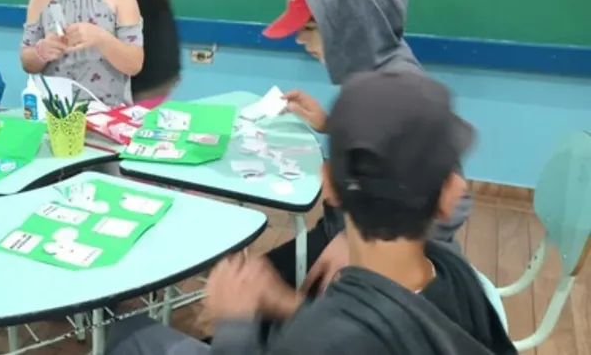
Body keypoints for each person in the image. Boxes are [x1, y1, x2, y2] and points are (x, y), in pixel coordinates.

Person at [108, 71, 516, 355]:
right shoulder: (458, 280)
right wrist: (285, 304)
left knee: (129, 334)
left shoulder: (324, 337)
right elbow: (370, 331)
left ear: (329, 184)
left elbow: (341, 337)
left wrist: (236, 325)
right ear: (449, 195)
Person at [259, 0, 474, 296]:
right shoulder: (372, 74)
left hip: (388, 272)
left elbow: (456, 201)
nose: (298, 39)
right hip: (349, 239)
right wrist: (332, 126)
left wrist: (363, 245)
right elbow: (391, 158)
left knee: (256, 299)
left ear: (351, 25)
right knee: (258, 281)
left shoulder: (398, 90)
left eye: (309, 28)